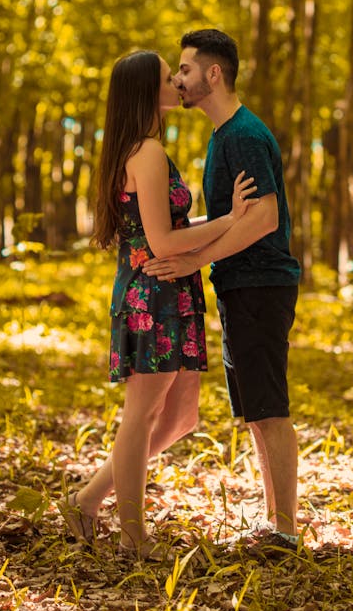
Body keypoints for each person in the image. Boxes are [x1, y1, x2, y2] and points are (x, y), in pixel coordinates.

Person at [57, 49, 257, 560]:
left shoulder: (147, 149)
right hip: (152, 295)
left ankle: (86, 500)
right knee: (142, 416)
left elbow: (169, 230)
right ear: (148, 91)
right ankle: (133, 537)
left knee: (180, 419)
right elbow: (164, 243)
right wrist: (230, 220)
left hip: (173, 290)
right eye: (170, 77)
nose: (178, 82)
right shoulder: (144, 152)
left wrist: (225, 220)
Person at [143, 29, 301, 553]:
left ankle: (285, 532)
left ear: (214, 74)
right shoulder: (224, 136)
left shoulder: (243, 135)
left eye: (185, 69)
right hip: (240, 285)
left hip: (261, 284)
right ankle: (276, 523)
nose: (177, 79)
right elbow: (237, 218)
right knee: (255, 408)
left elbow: (265, 218)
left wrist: (195, 258)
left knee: (269, 407)